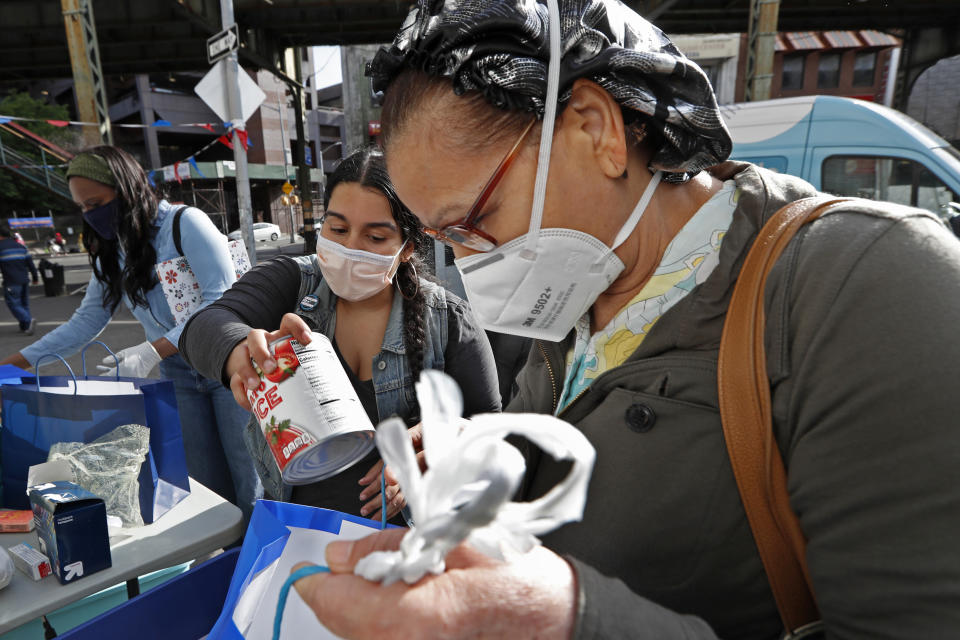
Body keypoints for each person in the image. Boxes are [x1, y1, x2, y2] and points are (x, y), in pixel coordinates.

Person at [288, 1, 960, 638]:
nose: (469, 263)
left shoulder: (865, 284)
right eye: (443, 237)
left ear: (595, 130)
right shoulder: (570, 298)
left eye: (477, 222)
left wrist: (562, 619)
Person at [179, 145, 500, 522]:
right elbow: (203, 327)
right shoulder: (291, 282)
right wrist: (239, 353)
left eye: (375, 237)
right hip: (296, 531)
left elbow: (491, 430)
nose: (350, 248)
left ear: (407, 248)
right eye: (338, 228)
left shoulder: (447, 320)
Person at [0, 146, 262, 521]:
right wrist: (10, 368)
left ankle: (263, 566)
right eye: (83, 208)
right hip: (180, 375)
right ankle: (226, 564)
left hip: (229, 364)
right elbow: (84, 323)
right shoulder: (116, 249)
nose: (92, 215)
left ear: (127, 188)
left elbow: (224, 299)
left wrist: (152, 351)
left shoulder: (185, 224)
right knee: (207, 487)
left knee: (250, 480)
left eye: (98, 203)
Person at [0, 222, 39, 335]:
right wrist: (35, 277)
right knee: (24, 303)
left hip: (11, 281)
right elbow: (30, 264)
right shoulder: (21, 247)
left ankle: (28, 320)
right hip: (24, 280)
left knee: (13, 303)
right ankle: (25, 327)